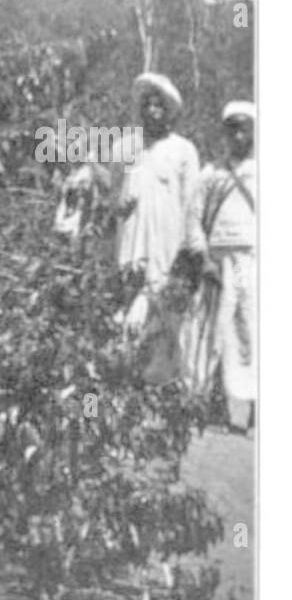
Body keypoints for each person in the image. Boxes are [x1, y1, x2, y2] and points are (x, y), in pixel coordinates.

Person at [115, 73, 200, 381]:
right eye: (147, 105)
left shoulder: (183, 150)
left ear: (168, 112)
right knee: (132, 312)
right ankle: (131, 379)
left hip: (168, 244)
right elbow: (115, 191)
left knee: (167, 314)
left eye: (159, 106)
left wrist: (192, 249)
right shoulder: (129, 147)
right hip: (133, 246)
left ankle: (169, 384)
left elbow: (192, 203)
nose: (153, 111)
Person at [179, 102, 256, 432]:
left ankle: (251, 410)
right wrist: (203, 257)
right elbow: (193, 218)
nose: (237, 135)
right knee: (208, 329)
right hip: (216, 261)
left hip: (247, 263)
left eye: (244, 129)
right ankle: (205, 404)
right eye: (231, 129)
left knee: (246, 328)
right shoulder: (211, 174)